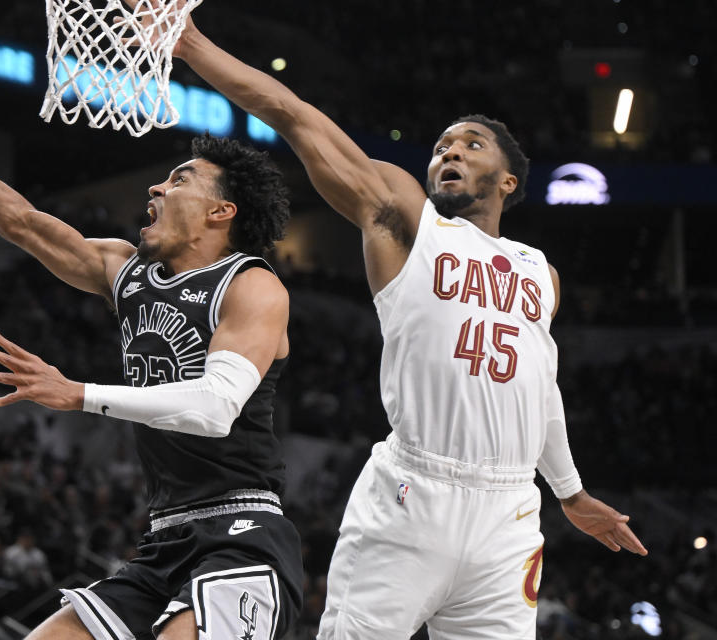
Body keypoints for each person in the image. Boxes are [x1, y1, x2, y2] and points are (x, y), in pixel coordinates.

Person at [163, 8, 649, 639]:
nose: (450, 150)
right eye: (443, 145)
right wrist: (193, 44)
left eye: (471, 143)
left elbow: (540, 384)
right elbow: (293, 114)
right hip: (413, 496)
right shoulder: (407, 221)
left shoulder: (540, 273)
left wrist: (571, 492)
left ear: (507, 180)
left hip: (509, 515)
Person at [0, 77, 303, 640]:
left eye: (179, 180)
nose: (155, 187)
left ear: (220, 212)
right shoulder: (126, 273)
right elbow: (24, 223)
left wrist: (78, 393)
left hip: (242, 529)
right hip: (164, 536)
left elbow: (216, 406)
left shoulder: (251, 285)